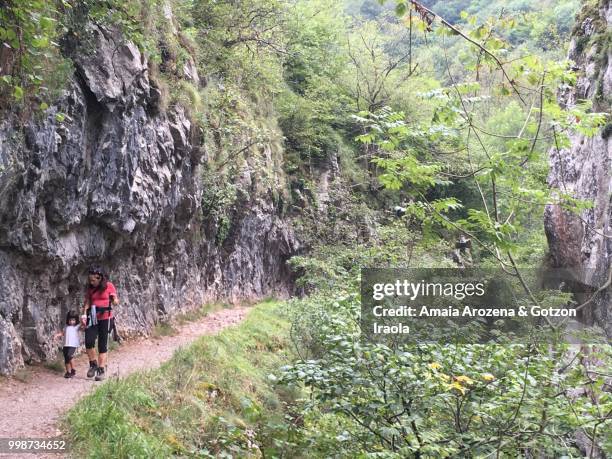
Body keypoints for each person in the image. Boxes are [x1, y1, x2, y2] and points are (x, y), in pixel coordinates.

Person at [81, 266, 119, 381]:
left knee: (102, 345)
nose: (91, 282)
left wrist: (114, 300)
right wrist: (83, 314)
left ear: (99, 278)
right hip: (92, 317)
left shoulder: (109, 286)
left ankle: (101, 370)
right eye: (90, 280)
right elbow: (88, 301)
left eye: (93, 280)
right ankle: (93, 364)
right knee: (89, 341)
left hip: (106, 318)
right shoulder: (90, 288)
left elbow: (116, 301)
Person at [54, 310, 82, 378]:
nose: (71, 322)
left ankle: (73, 369)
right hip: (66, 344)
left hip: (73, 345)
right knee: (66, 358)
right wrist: (57, 335)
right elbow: (63, 333)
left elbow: (82, 327)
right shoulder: (66, 326)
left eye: (73, 320)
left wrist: (83, 322)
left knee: (69, 355)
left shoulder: (77, 326)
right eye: (70, 320)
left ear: (76, 320)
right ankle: (68, 372)